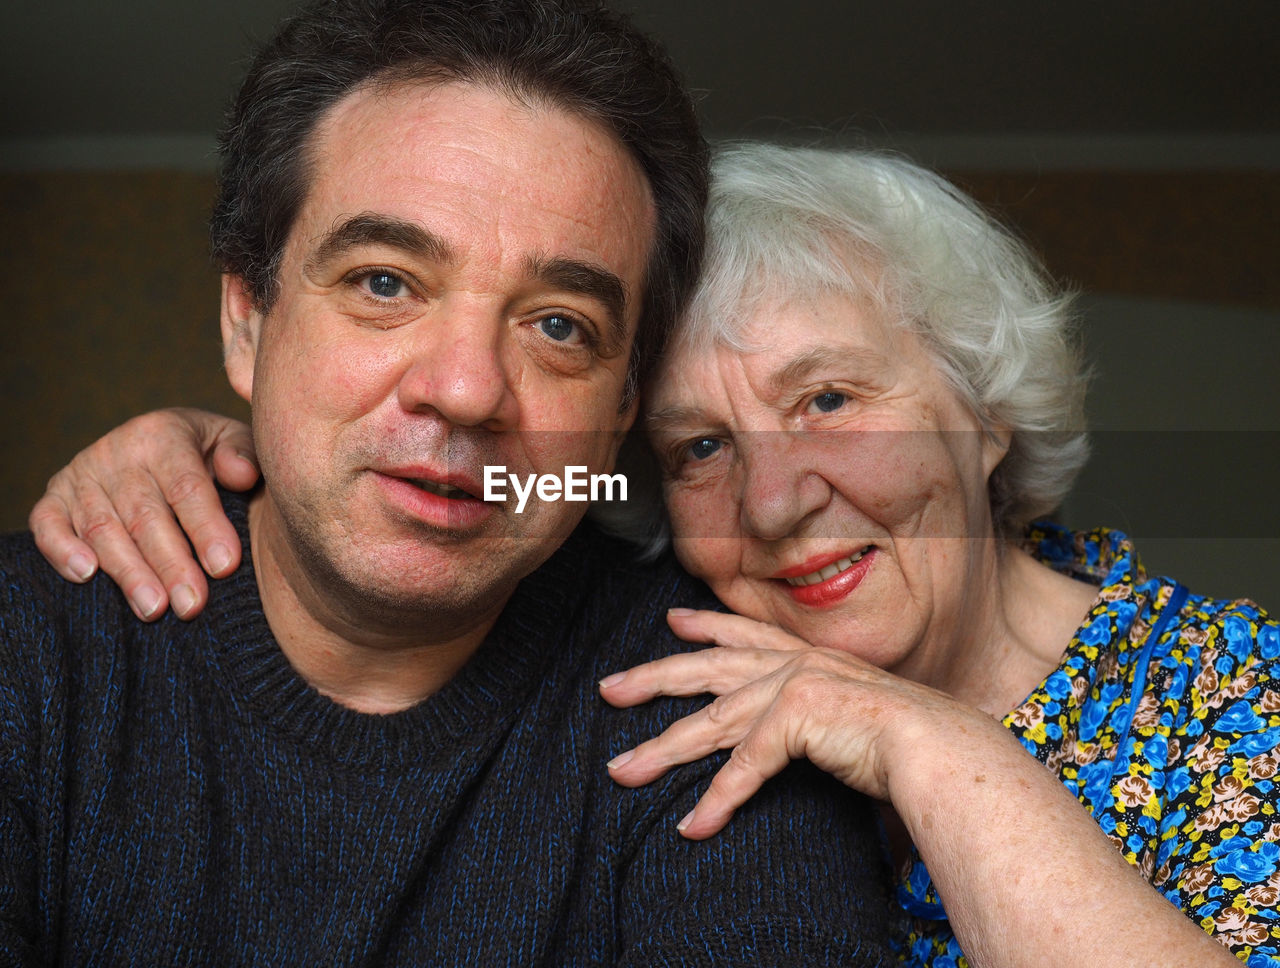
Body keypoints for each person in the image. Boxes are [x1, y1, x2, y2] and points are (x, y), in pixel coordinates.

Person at [38, 142, 1280, 967]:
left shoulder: (1231, 691)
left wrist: (922, 736)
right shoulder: (674, 636)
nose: (779, 498)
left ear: (985, 408)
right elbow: (482, 482)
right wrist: (227, 452)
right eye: (697, 448)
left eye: (831, 399)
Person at [0, 4, 894, 964]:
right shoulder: (31, 650)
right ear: (247, 321)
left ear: (624, 405)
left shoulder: (716, 709)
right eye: (384, 283)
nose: (465, 390)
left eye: (559, 327)